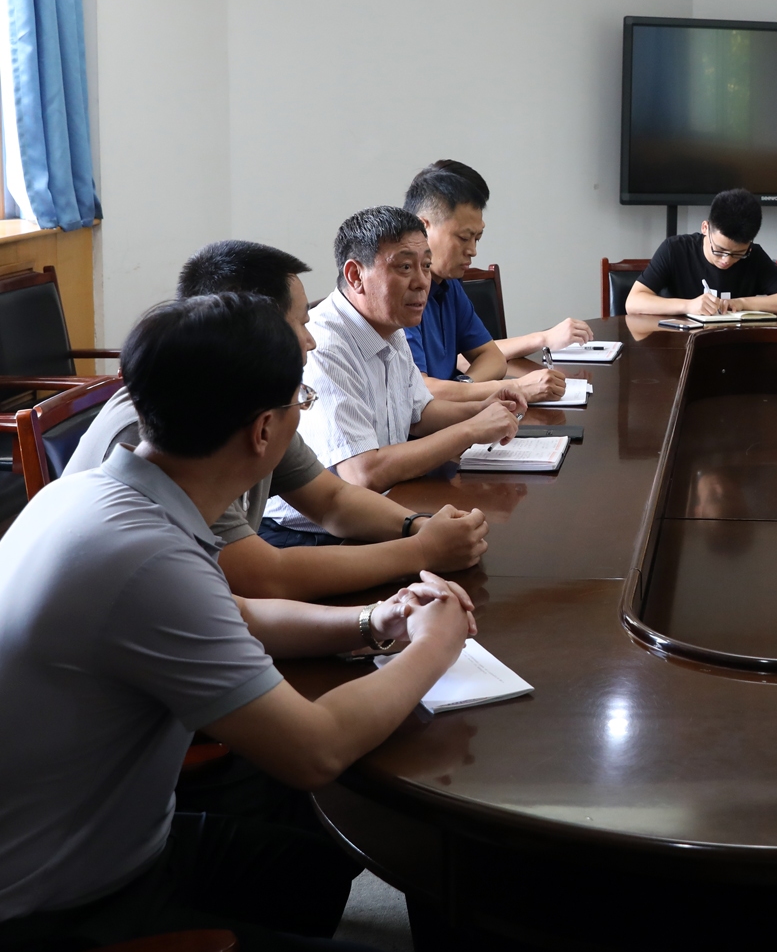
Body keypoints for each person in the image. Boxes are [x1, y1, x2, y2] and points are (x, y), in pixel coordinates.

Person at [0, 293, 478, 951]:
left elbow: (236, 615)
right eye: (300, 402)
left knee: (329, 850)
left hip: (111, 841)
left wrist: (376, 620)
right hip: (56, 906)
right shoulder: (146, 556)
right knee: (337, 805)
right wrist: (434, 645)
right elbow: (315, 749)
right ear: (264, 431)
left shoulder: (93, 493)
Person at [62, 240, 489, 596]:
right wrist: (421, 552)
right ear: (248, 324)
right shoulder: (166, 426)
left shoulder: (250, 397)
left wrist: (418, 527)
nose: (311, 339)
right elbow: (262, 578)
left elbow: (332, 499)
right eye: (299, 322)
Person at [263, 207, 523, 541]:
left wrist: (483, 407)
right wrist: (471, 430)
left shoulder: (390, 326)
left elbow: (420, 412)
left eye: (426, 266)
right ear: (355, 275)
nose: (422, 282)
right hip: (309, 534)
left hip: (379, 508)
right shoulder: (324, 346)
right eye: (404, 267)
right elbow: (363, 473)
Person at [403, 160, 592, 390]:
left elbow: (492, 358)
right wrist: (514, 389)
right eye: (464, 238)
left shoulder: (449, 285)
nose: (473, 250)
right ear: (423, 227)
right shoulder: (400, 294)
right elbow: (421, 393)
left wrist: (464, 387)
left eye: (477, 238)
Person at [624, 188, 777, 316]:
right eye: (719, 250)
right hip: (680, 347)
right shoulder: (675, 249)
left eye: (738, 254)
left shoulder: (754, 255)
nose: (726, 260)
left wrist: (742, 303)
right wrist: (688, 306)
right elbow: (633, 302)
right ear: (705, 228)